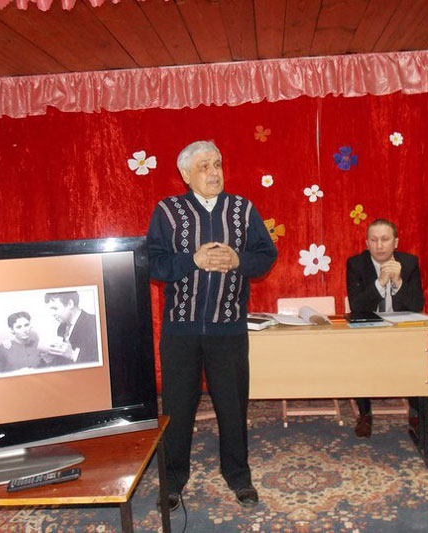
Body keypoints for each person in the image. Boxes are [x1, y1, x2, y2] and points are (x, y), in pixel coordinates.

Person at [147, 140, 277, 511]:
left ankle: (238, 477)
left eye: (217, 164)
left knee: (233, 408)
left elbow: (266, 256)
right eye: (204, 166)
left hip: (228, 330)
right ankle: (173, 481)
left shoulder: (242, 209)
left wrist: (238, 260)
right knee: (177, 410)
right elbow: (153, 264)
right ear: (185, 175)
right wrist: (193, 260)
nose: (214, 172)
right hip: (180, 331)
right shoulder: (167, 211)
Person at [346, 218, 424, 438]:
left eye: (385, 239)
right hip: (368, 331)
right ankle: (365, 414)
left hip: (401, 332)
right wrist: (380, 283)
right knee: (357, 354)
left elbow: (416, 305)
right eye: (374, 240)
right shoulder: (356, 264)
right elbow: (357, 305)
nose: (379, 245)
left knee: (417, 354)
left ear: (395, 242)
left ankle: (416, 416)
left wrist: (398, 282)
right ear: (367, 243)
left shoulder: (409, 263)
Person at [42, 291, 98, 365]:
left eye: (55, 308)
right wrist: (52, 359)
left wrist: (72, 355)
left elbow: (100, 359)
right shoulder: (61, 328)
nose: (52, 314)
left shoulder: (95, 322)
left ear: (70, 304)